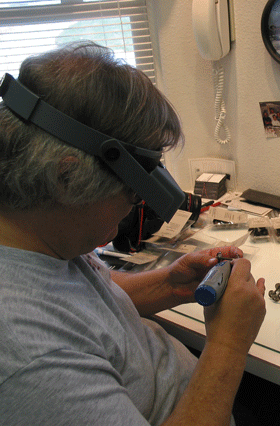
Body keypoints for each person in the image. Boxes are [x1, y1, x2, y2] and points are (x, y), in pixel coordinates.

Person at [0, 42, 266, 426]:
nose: (135, 207)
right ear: (66, 176)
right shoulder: (28, 357)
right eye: (131, 191)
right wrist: (228, 345)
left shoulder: (36, 231)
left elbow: (84, 304)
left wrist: (171, 285)